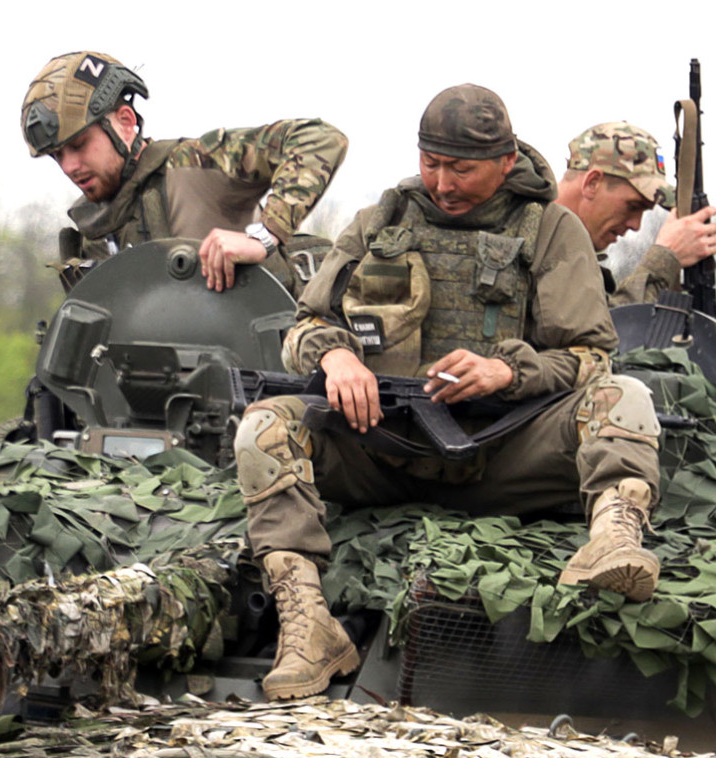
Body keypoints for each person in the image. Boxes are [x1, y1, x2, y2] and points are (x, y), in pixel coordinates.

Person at [233, 85, 664, 700]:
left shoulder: (550, 231)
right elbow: (305, 324)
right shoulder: (382, 220)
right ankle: (307, 626)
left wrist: (507, 372)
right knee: (264, 425)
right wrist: (335, 357)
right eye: (431, 163)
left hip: (503, 450)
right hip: (380, 445)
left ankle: (614, 541)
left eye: (461, 168)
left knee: (625, 397)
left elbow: (591, 357)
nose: (443, 182)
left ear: (506, 162)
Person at [20, 51, 348, 296]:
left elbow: (319, 140)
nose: (69, 166)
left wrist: (264, 235)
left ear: (125, 122)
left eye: (79, 144)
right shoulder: (93, 231)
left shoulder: (193, 166)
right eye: (57, 156)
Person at [554, 122, 716, 306]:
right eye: (632, 206)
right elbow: (602, 332)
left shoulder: (563, 249)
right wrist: (664, 260)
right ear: (592, 183)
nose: (636, 225)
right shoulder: (533, 244)